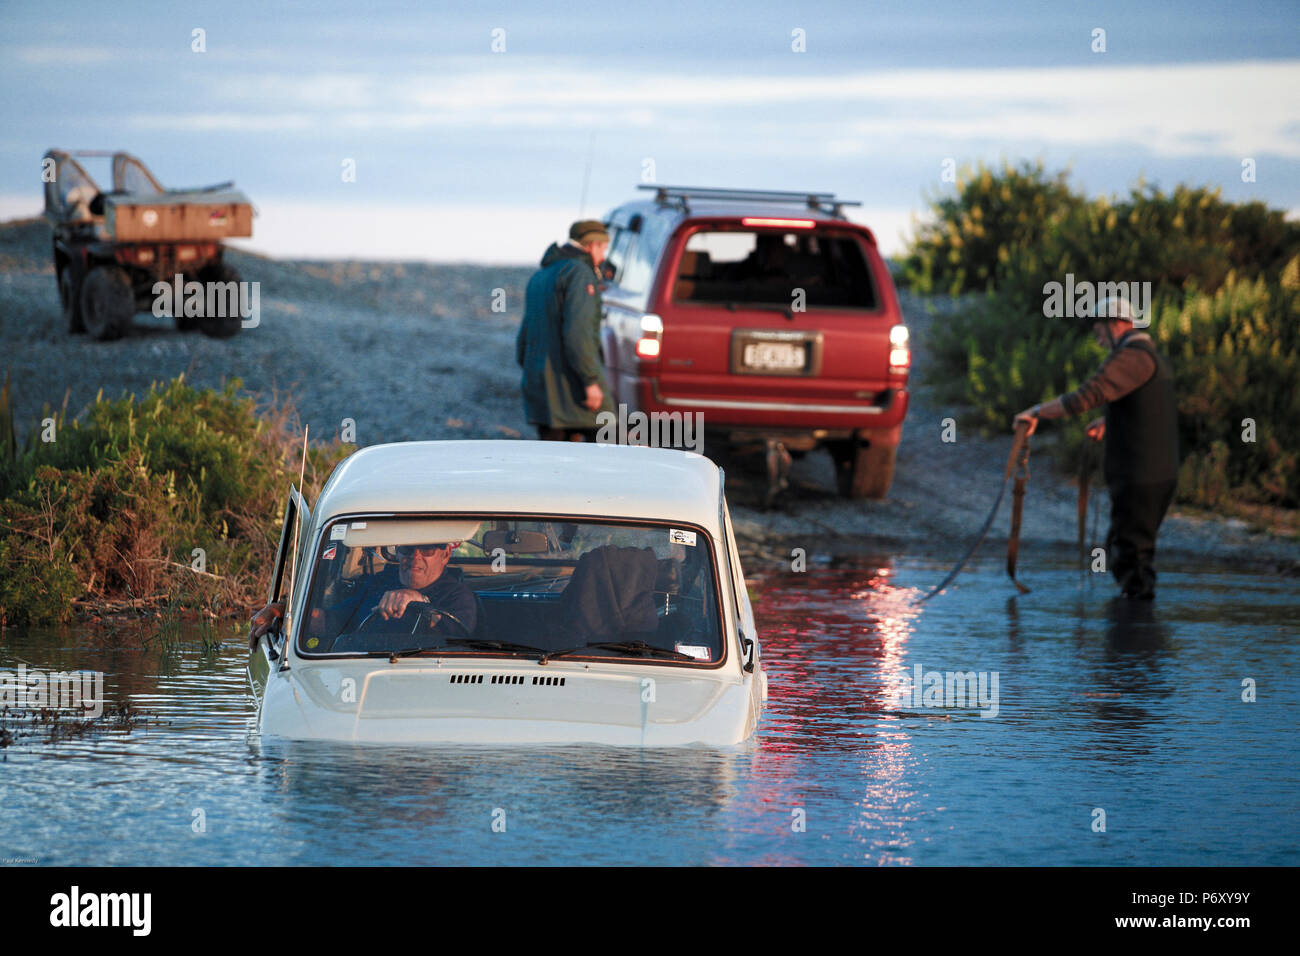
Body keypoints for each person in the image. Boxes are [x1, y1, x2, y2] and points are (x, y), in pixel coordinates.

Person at [1014, 296, 1180, 600]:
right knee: (1125, 547)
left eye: (1100, 328)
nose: (1097, 335)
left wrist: (1036, 412)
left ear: (1117, 323)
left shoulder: (1133, 357)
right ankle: (1130, 631)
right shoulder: (1150, 355)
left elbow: (1084, 397)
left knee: (1132, 555)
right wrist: (1108, 422)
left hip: (1141, 475)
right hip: (1152, 474)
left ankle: (1137, 635)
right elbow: (1144, 404)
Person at [248, 541, 477, 649]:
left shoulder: (460, 597)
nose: (415, 556)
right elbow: (329, 620)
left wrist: (420, 602)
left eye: (427, 548)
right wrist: (280, 611)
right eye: (407, 548)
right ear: (398, 551)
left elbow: (461, 638)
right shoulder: (376, 585)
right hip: (362, 671)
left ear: (445, 554)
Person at [516, 219, 614, 441]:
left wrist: (534, 373)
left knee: (554, 461)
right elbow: (578, 335)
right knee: (612, 446)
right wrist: (590, 381)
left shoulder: (540, 275)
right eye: (603, 248)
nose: (603, 257)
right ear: (592, 245)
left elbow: (523, 338)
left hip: (539, 385)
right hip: (570, 387)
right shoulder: (579, 274)